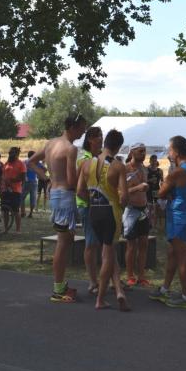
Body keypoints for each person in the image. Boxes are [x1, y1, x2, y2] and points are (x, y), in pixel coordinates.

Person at [29, 114, 87, 303]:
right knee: (62, 244)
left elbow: (31, 162)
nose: (83, 132)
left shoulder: (50, 143)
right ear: (73, 127)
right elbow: (71, 181)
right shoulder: (70, 148)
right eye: (82, 128)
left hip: (55, 194)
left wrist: (46, 178)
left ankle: (60, 285)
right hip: (65, 197)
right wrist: (84, 173)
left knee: (66, 240)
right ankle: (58, 289)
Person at [77, 129, 130, 311]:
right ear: (118, 147)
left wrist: (92, 201)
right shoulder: (118, 166)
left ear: (105, 142)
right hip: (111, 212)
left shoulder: (86, 164)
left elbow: (80, 191)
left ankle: (119, 290)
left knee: (107, 252)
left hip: (94, 211)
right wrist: (121, 205)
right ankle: (100, 299)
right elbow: (124, 197)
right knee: (107, 254)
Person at [150, 135, 186, 309]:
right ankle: (165, 289)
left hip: (179, 218)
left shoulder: (178, 172)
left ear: (177, 152)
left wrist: (168, 186)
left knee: (182, 257)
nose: (168, 153)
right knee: (172, 253)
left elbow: (160, 192)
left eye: (170, 150)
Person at [76, 126, 103, 294]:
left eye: (102, 135)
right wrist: (91, 203)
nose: (101, 138)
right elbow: (79, 187)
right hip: (87, 205)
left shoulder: (100, 157)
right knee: (91, 243)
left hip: (101, 205)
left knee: (103, 243)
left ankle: (108, 278)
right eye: (98, 136)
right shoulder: (84, 159)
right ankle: (92, 282)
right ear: (90, 140)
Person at [123, 143, 151, 286]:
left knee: (144, 243)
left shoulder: (144, 169)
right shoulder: (125, 169)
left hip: (143, 209)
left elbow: (144, 188)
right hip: (131, 209)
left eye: (144, 151)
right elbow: (120, 192)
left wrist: (145, 189)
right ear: (132, 152)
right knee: (131, 245)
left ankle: (141, 276)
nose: (143, 153)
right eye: (140, 151)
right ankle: (130, 275)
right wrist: (137, 188)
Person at [1, 147, 25, 233]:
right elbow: (3, 175)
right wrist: (3, 184)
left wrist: (12, 180)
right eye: (9, 153)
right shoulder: (6, 163)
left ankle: (18, 229)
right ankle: (6, 228)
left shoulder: (21, 164)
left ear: (17, 154)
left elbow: (23, 177)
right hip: (5, 190)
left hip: (15, 190)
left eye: (12, 153)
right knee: (5, 210)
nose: (10, 154)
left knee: (15, 210)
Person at [146, 154, 164, 228]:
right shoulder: (146, 170)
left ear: (157, 161)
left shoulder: (160, 171)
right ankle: (148, 225)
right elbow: (142, 181)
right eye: (152, 161)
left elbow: (162, 181)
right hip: (148, 191)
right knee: (149, 209)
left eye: (155, 160)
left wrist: (163, 188)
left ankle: (154, 226)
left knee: (156, 208)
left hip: (156, 190)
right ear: (150, 161)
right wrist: (149, 180)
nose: (154, 162)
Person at [21, 151, 38, 218]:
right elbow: (44, 169)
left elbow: (21, 171)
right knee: (33, 198)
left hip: (26, 182)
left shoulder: (24, 162)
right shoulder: (36, 162)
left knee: (22, 197)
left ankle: (23, 212)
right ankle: (30, 213)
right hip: (34, 182)